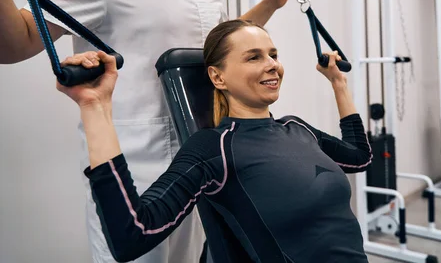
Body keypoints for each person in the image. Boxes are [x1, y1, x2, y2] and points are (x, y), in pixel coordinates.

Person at [0, 0, 309, 262]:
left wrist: (272, 2)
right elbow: (16, 42)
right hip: (129, 174)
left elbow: (220, 45)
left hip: (200, 167)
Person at [57, 19, 372, 262]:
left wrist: (339, 84)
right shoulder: (213, 148)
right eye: (254, 57)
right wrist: (95, 107)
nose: (272, 64)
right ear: (218, 77)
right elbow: (132, 233)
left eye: (273, 55)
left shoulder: (297, 128)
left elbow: (360, 156)